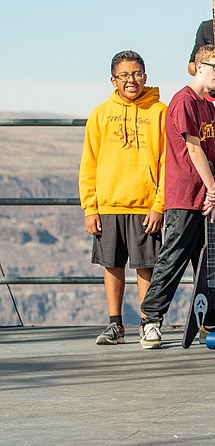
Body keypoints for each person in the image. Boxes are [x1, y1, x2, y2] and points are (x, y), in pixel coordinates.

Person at [138, 45, 215, 348]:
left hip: (208, 195)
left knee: (211, 262)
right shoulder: (183, 101)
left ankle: (210, 320)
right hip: (185, 196)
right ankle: (150, 319)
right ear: (199, 66)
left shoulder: (208, 106)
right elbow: (192, 147)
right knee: (174, 258)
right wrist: (210, 187)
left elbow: (213, 146)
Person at [80, 51, 167, 345]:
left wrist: (159, 204)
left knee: (146, 264)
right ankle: (115, 324)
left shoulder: (160, 112)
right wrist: (90, 208)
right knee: (112, 264)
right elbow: (88, 164)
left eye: (137, 74)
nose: (132, 80)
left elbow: (168, 162)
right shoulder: (100, 114)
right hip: (107, 203)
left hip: (145, 203)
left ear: (145, 75)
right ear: (113, 80)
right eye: (125, 75)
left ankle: (148, 323)